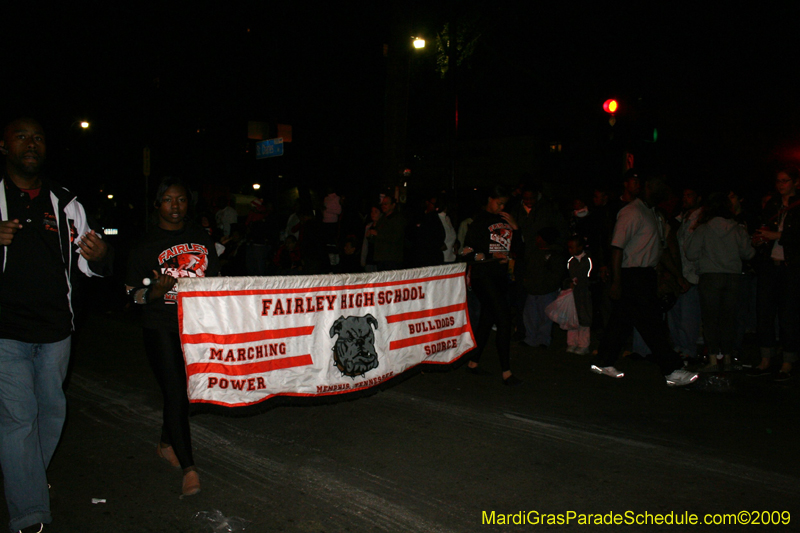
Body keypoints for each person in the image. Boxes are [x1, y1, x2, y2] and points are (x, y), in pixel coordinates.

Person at [0, 117, 111, 533]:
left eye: (38, 138)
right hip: (5, 331)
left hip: (56, 330)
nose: (31, 143)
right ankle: (29, 512)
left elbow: (90, 264)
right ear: (4, 146)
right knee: (19, 418)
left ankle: (24, 477)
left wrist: (99, 255)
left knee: (51, 413)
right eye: (21, 136)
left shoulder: (66, 203)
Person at [125, 177, 220, 496]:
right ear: (157, 204)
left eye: (180, 199)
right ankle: (189, 468)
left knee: (187, 393)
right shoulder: (145, 244)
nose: (175, 206)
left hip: (196, 326)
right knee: (176, 392)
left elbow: (216, 279)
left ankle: (166, 442)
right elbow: (131, 295)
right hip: (161, 325)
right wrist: (153, 292)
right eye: (167, 199)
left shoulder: (201, 237)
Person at [590, 174, 698, 386]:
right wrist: (616, 281)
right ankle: (671, 369)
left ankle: (604, 361)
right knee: (651, 322)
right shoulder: (631, 212)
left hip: (645, 273)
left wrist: (678, 276)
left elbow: (661, 250)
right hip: (632, 274)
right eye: (659, 185)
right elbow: (617, 248)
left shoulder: (654, 214)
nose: (663, 190)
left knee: (621, 320)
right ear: (648, 186)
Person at [684, 192, 755, 370]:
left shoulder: (703, 229)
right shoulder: (737, 228)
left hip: (710, 276)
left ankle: (713, 358)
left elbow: (691, 253)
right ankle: (728, 356)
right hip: (732, 277)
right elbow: (748, 253)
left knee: (710, 319)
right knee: (729, 318)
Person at [461, 185, 522, 385]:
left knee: (487, 319)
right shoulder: (479, 221)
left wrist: (515, 228)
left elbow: (518, 249)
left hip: (500, 276)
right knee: (504, 319)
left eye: (504, 204)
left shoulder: (505, 220)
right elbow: (466, 252)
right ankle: (506, 372)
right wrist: (490, 255)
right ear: (489, 199)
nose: (501, 207)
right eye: (499, 203)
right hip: (483, 277)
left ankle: (473, 363)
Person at [749, 168, 800, 381]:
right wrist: (759, 239)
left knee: (788, 315)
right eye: (778, 181)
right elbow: (763, 227)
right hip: (770, 265)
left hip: (791, 267)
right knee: (764, 313)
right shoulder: (772, 204)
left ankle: (788, 362)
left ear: (796, 182)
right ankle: (765, 359)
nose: (781, 185)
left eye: (785, 181)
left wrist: (777, 235)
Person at [566, 236, 592, 354]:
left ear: (580, 247)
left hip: (585, 294)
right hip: (573, 294)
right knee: (572, 318)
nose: (570, 250)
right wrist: (569, 283)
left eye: (572, 247)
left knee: (584, 318)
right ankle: (572, 343)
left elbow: (590, 277)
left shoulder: (588, 260)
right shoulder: (571, 261)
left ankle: (583, 344)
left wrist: (579, 282)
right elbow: (567, 276)